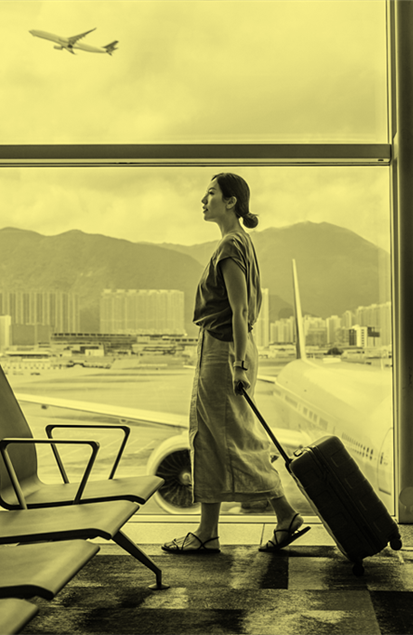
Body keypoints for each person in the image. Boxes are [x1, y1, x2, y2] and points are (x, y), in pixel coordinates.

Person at [162, 173, 308, 555]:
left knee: (230, 438)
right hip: (228, 348)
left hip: (225, 350)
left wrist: (238, 365)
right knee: (213, 437)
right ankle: (211, 529)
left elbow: (240, 310)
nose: (202, 199)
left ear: (230, 202)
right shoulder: (241, 242)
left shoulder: (230, 245)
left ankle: (280, 514)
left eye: (210, 193)